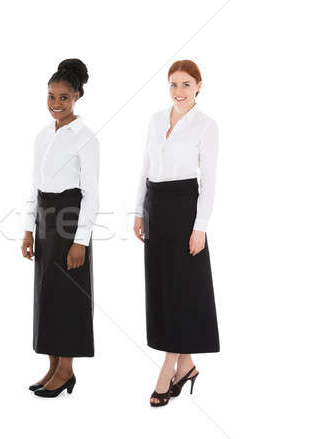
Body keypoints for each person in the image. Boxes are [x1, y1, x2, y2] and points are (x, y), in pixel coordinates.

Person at [133, 59, 220, 407]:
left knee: (183, 289)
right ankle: (186, 365)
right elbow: (145, 165)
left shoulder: (206, 126)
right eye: (173, 84)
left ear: (199, 86)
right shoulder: (156, 119)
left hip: (185, 209)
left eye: (186, 84)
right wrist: (139, 210)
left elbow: (209, 181)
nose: (179, 91)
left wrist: (200, 227)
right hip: (156, 205)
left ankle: (169, 367)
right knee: (163, 289)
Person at [21, 59, 99, 398]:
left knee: (68, 296)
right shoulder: (43, 136)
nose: (56, 103)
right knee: (47, 295)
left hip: (70, 220)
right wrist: (28, 228)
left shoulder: (85, 138)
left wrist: (80, 240)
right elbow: (35, 184)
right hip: (44, 218)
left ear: (78, 96)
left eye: (64, 97)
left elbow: (92, 194)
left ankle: (67, 369)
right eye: (51, 96)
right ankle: (52, 365)